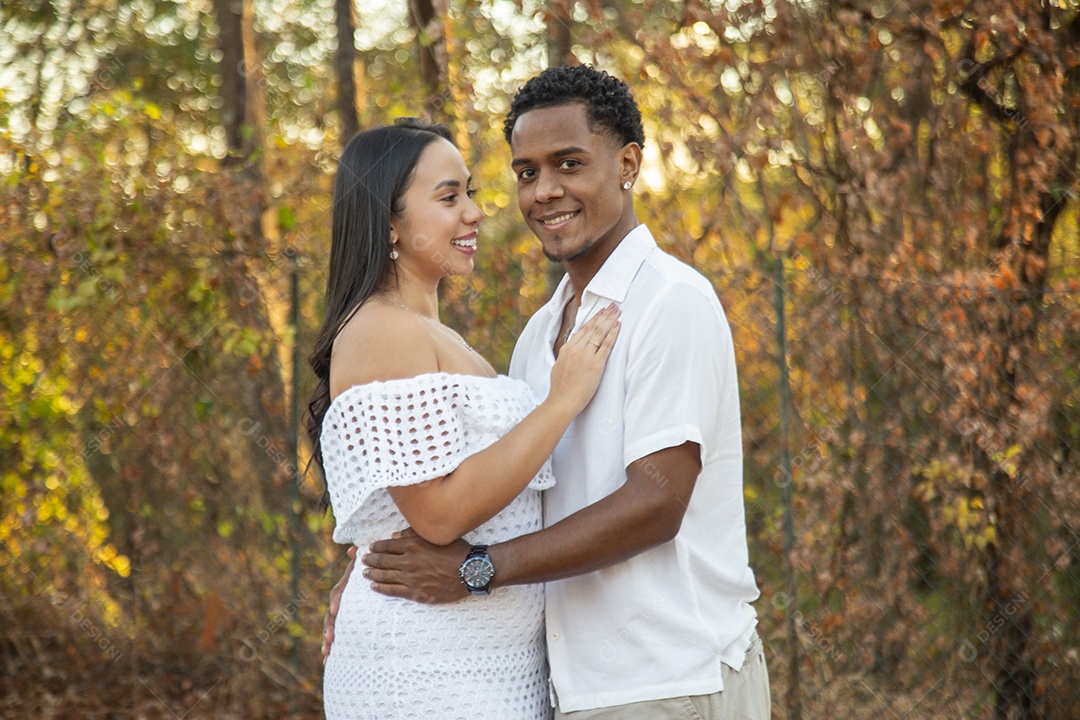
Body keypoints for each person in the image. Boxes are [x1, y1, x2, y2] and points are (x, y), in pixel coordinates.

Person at [326, 66, 770, 719]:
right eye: (527, 173)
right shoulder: (539, 337)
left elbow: (657, 502)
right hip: (566, 685)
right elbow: (491, 486)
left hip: (669, 680)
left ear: (626, 164)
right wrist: (370, 557)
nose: (544, 191)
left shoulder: (668, 302)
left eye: (568, 164)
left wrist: (479, 569)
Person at [308, 118, 620, 720]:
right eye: (449, 197)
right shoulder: (380, 330)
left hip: (479, 662)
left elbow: (418, 492)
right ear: (389, 222)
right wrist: (561, 402)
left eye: (470, 193)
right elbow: (439, 513)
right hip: (426, 671)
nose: (474, 212)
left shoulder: (431, 334)